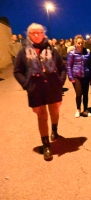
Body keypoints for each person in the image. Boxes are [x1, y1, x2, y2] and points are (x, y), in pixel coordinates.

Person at [13, 23, 66, 161]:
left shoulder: (52, 50)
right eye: (33, 33)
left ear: (44, 34)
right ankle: (46, 144)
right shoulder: (24, 51)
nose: (36, 35)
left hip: (52, 88)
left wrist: (60, 82)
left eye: (39, 32)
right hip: (36, 89)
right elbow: (17, 71)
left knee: (54, 111)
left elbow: (62, 68)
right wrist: (26, 84)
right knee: (42, 116)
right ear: (28, 35)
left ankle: (54, 130)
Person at [66, 34, 91, 118]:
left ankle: (85, 110)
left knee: (85, 94)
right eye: (78, 43)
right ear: (75, 43)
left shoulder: (87, 53)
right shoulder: (72, 53)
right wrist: (70, 77)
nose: (80, 44)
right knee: (78, 94)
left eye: (81, 43)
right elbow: (69, 66)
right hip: (76, 76)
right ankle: (78, 109)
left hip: (86, 76)